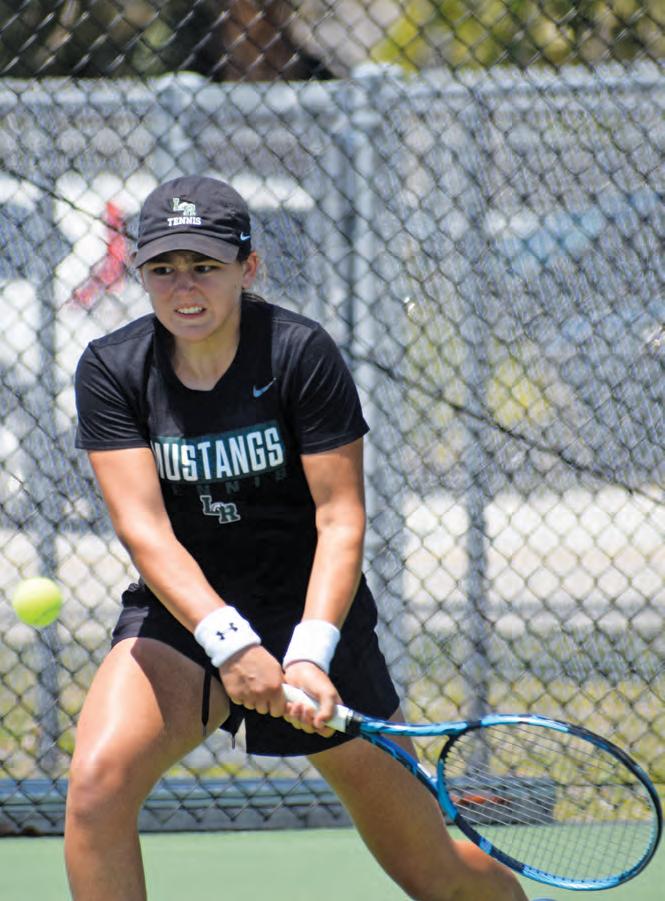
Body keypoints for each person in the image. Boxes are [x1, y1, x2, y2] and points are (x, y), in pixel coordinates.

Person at [65, 174, 530, 901]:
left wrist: (309, 653)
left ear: (247, 268)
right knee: (96, 789)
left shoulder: (298, 352)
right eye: (163, 268)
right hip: (185, 612)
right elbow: (143, 529)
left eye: (205, 265)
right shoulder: (111, 368)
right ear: (141, 274)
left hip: (310, 611)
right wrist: (230, 643)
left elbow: (340, 518)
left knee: (433, 872)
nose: (184, 287)